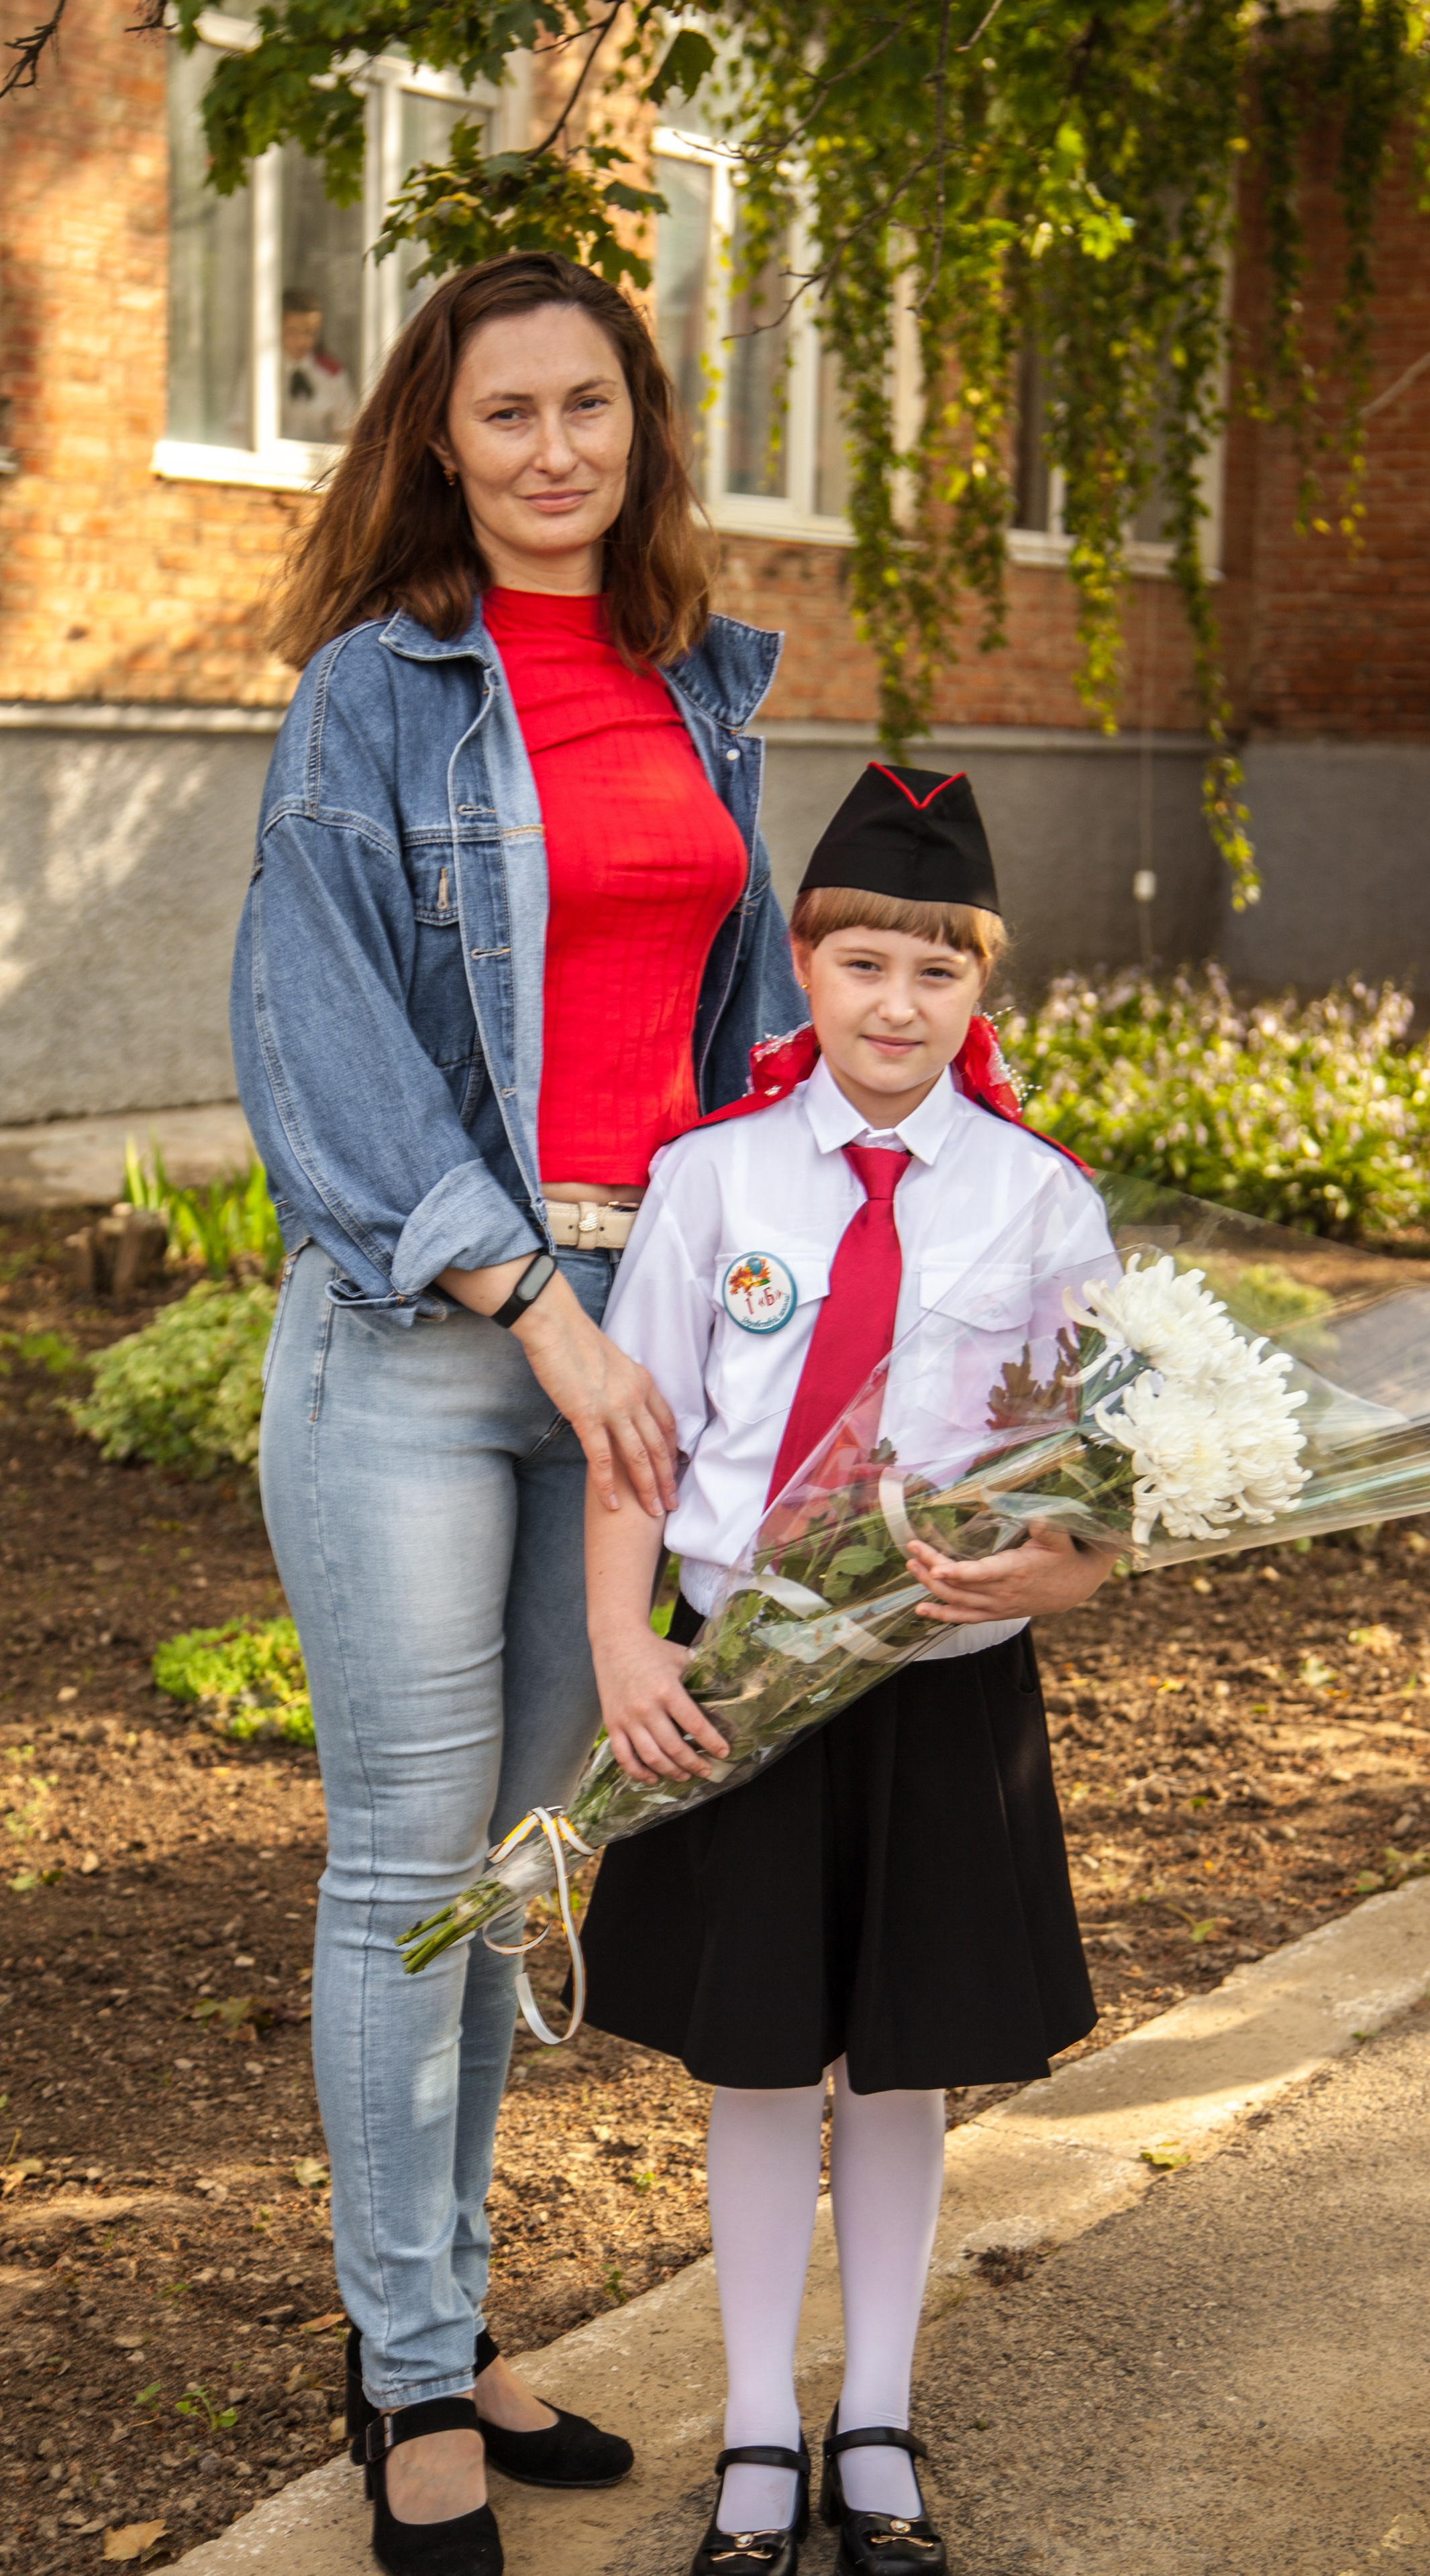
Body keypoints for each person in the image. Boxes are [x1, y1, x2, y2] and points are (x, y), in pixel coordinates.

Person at [232, 250, 800, 2576]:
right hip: (422, 1338)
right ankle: (401, 2373)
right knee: (407, 1866)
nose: (555, 449)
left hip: (635, 1338)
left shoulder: (706, 684)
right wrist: (539, 1305)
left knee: (510, 1870)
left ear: (641, 426)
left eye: (590, 405)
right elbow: (320, 1034)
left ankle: (449, 2329)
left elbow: (742, 1032)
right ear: (439, 444)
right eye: (507, 414)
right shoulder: (374, 692)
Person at [575, 762, 1117, 2576]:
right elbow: (637, 1450)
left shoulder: (1041, 1200)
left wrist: (1053, 1570)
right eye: (863, 962)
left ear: (982, 987)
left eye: (935, 969)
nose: (896, 1003)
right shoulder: (711, 1176)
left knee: (898, 2064)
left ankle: (873, 2421)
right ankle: (755, 2427)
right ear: (802, 966)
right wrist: (623, 1650)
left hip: (939, 1679)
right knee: (754, 2059)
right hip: (739, 1672)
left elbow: (1101, 1492)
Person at [279, 288, 357, 442]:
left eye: (310, 333)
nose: (302, 342)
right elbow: (241, 426)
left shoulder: (332, 373)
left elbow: (345, 430)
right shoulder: (261, 371)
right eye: (293, 332)